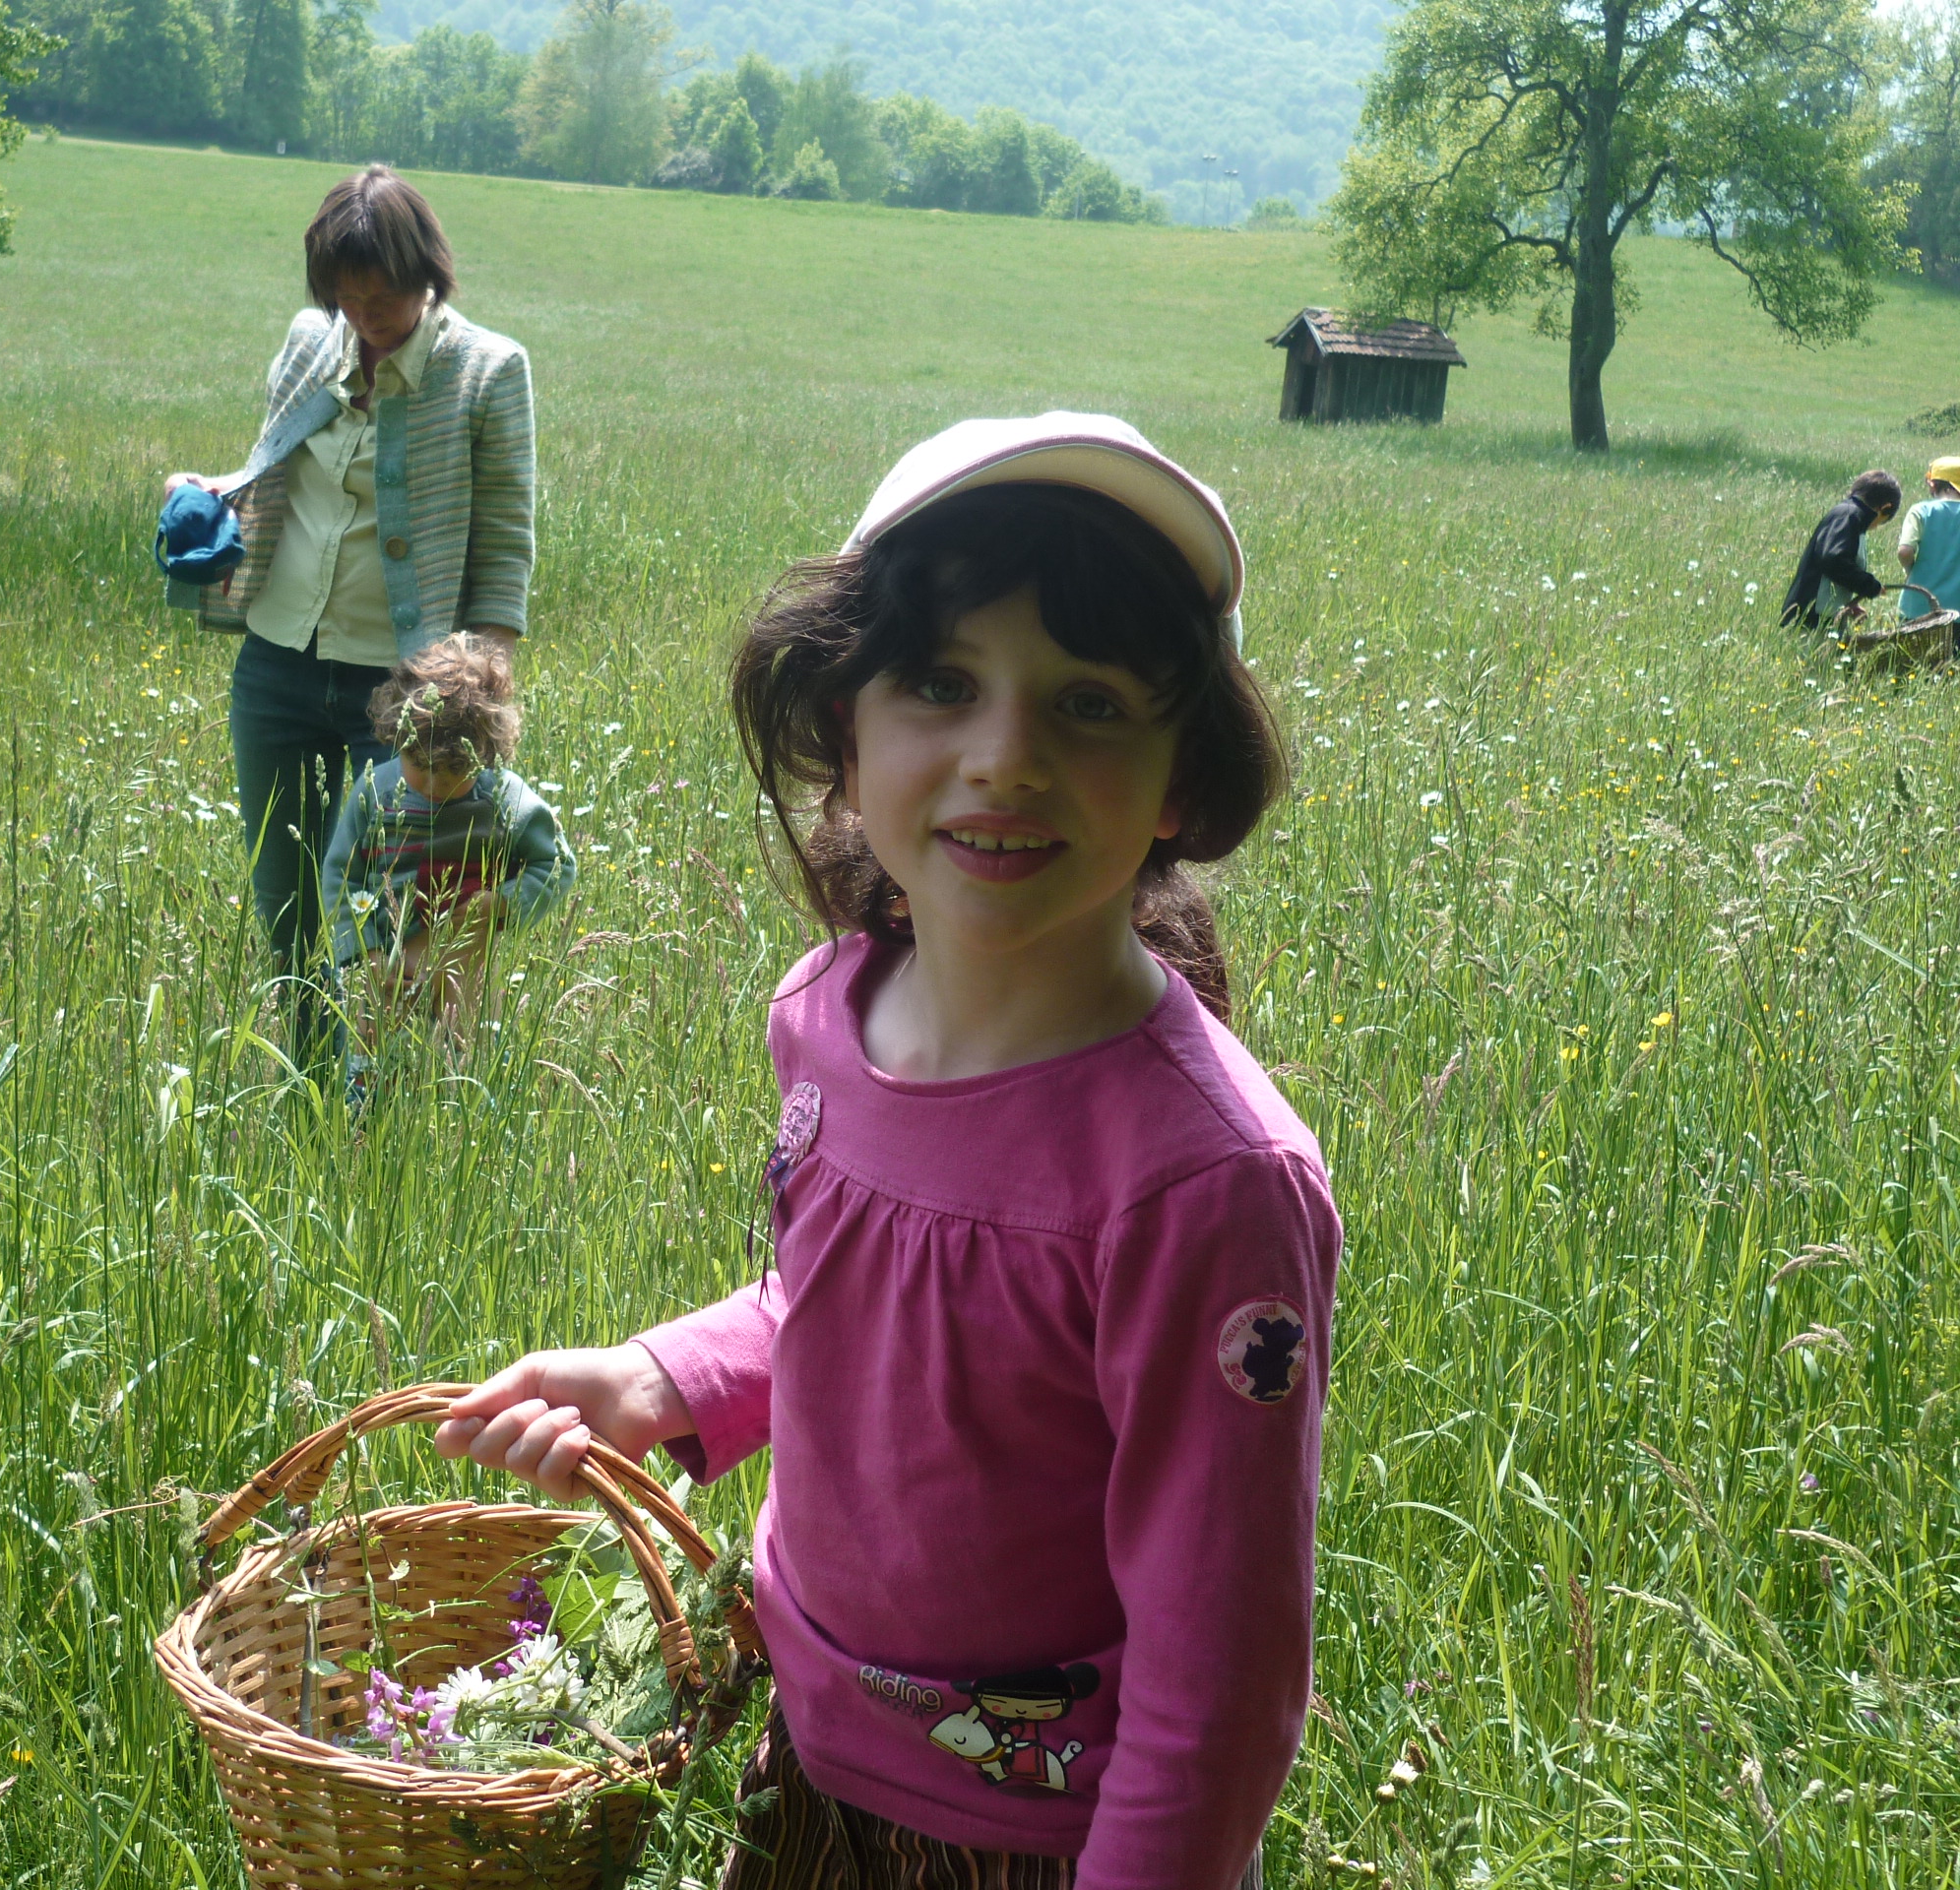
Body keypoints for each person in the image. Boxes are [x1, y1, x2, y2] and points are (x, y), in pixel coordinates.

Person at [435, 414, 1342, 1890]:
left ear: (1182, 779)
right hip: (810, 1769)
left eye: (1093, 703)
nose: (1007, 757)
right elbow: (849, 1307)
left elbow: (1221, 1683)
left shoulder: (1206, 1187)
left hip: (1051, 1839)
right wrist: (662, 1381)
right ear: (844, 733)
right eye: (941, 683)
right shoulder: (827, 1016)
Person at [161, 163, 536, 1026]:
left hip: (407, 693)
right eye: (348, 298)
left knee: (403, 917)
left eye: (385, 300)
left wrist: (482, 684)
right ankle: (315, 1092)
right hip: (278, 669)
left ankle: (400, 1103)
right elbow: (277, 460)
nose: (366, 319)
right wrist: (209, 490)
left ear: (427, 277)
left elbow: (507, 541)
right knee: (289, 909)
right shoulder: (309, 342)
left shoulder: (488, 371)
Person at [320, 634, 576, 1044]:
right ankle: (368, 1104)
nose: (434, 783)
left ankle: (464, 1104)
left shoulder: (505, 801)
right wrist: (363, 952)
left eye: (454, 770)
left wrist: (504, 901)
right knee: (373, 1052)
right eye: (419, 765)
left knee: (464, 1054)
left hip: (467, 960)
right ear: (395, 739)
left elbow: (557, 864)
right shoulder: (376, 792)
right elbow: (341, 876)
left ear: (486, 754)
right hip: (387, 959)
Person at [1782, 470, 1900, 630]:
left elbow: (1835, 570)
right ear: (1885, 508)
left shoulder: (1849, 515)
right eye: (1881, 522)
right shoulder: (1850, 516)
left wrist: (1847, 605)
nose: (1875, 528)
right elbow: (1833, 560)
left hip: (1819, 615)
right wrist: (1870, 586)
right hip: (1810, 618)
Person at [1895, 457, 1960, 620]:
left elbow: (1904, 552)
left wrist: (1911, 571)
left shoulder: (1920, 511)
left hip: (1918, 606)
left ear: (1934, 484)